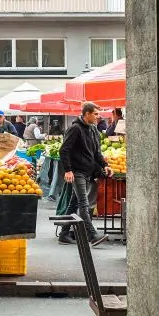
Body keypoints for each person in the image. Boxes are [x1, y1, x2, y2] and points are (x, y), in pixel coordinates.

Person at [58, 102, 112, 246]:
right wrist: (68, 170)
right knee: (84, 202)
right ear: (86, 114)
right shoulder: (75, 129)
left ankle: (64, 233)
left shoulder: (93, 130)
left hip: (87, 172)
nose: (97, 116)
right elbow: (64, 150)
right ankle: (92, 235)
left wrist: (105, 166)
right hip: (77, 172)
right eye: (95, 114)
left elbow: (97, 153)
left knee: (73, 204)